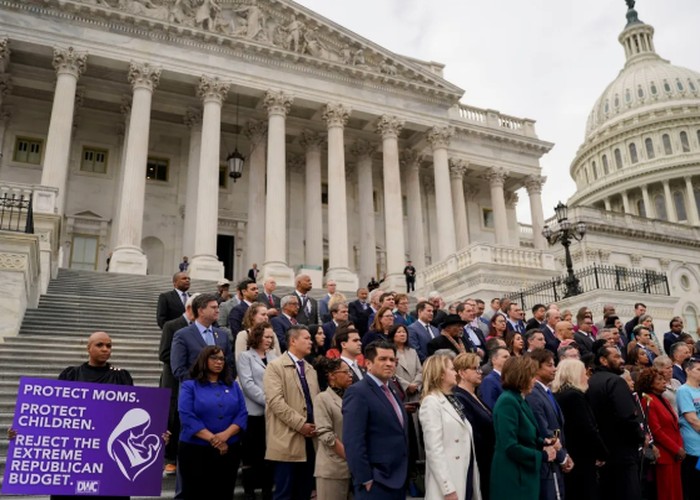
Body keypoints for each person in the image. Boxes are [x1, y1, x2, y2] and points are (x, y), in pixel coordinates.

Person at [48, 332, 133, 500]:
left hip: (108, 450)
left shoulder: (121, 376)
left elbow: (131, 412)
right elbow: (55, 412)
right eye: (99, 345)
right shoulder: (70, 375)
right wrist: (23, 432)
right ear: (88, 348)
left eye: (109, 346)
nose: (105, 349)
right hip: (76, 449)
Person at [178, 346, 247, 500]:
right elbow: (187, 416)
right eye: (214, 358)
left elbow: (242, 414)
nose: (219, 362)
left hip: (229, 450)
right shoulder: (190, 386)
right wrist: (214, 440)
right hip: (195, 451)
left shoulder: (233, 386)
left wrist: (225, 435)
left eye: (221, 359)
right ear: (204, 360)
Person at [343, 340, 408, 499]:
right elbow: (353, 440)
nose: (389, 364)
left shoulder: (391, 389)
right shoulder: (358, 392)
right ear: (368, 364)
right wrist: (365, 478)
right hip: (376, 482)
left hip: (398, 479)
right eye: (383, 359)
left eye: (392, 360)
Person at [264, 325, 320, 500]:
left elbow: (316, 400)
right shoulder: (275, 366)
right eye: (306, 338)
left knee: (304, 491)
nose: (311, 341)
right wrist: (300, 424)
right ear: (293, 341)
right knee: (284, 493)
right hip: (286, 439)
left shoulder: (310, 369)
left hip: (310, 439)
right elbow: (275, 402)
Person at [491, 356, 557, 500]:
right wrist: (542, 456)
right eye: (531, 376)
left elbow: (526, 434)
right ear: (521, 377)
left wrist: (544, 442)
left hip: (523, 475)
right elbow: (510, 445)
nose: (534, 380)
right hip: (514, 478)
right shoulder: (508, 401)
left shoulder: (519, 398)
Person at [419, 353, 482, 500]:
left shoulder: (452, 399)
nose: (456, 373)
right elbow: (434, 449)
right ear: (441, 374)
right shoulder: (431, 402)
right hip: (450, 478)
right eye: (452, 369)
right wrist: (447, 488)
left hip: (465, 471)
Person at [587, 346, 644, 500]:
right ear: (603, 360)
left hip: (603, 450)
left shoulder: (591, 381)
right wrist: (640, 436)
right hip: (622, 451)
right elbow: (627, 416)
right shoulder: (615, 382)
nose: (622, 360)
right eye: (616, 357)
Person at [552, 359, 608, 500]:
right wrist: (601, 452)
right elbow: (587, 428)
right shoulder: (574, 396)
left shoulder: (558, 394)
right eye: (584, 373)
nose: (587, 377)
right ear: (575, 374)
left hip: (571, 454)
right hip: (581, 457)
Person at [159, 293, 198, 475]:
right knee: (172, 416)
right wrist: (186, 360)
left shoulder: (202, 328)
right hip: (173, 379)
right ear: (190, 308)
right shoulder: (172, 325)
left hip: (194, 379)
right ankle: (169, 457)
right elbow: (164, 353)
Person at [236, 322, 276, 500]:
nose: (269, 340)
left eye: (271, 337)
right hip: (253, 412)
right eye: (266, 336)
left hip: (272, 413)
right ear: (257, 336)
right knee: (251, 453)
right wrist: (269, 401)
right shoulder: (245, 356)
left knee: (269, 452)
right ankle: (249, 491)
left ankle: (267, 489)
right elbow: (247, 384)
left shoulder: (274, 356)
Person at [525, 349, 573, 499]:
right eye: (550, 365)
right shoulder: (533, 394)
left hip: (555, 460)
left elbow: (556, 428)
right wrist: (562, 457)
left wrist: (564, 453)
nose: (555, 369)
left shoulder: (546, 391)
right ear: (536, 368)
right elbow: (543, 429)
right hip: (547, 463)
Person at [636, 367, 684, 500]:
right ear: (650, 383)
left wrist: (679, 447)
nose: (664, 382)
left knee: (676, 491)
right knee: (667, 492)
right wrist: (676, 448)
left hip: (674, 453)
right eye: (659, 379)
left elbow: (673, 426)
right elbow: (656, 431)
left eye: (664, 379)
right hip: (664, 454)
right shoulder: (648, 400)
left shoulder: (663, 399)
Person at [453, 353, 494, 500]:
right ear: (462, 373)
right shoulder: (459, 397)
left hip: (488, 459)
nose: (480, 372)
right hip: (479, 459)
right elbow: (472, 431)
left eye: (480, 368)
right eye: (475, 368)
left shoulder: (475, 395)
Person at [313, 358, 353, 499]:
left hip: (354, 469)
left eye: (350, 371)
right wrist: (350, 457)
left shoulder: (352, 396)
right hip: (333, 469)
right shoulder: (323, 398)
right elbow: (325, 434)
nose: (350, 375)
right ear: (332, 376)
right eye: (345, 372)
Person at [171, 293, 233, 382]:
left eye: (217, 307)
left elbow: (230, 364)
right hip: (194, 387)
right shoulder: (182, 335)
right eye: (213, 307)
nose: (217, 311)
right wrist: (202, 383)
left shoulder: (223, 335)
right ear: (201, 311)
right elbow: (179, 369)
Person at [676, 356, 700, 498]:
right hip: (694, 446)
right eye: (698, 369)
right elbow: (692, 419)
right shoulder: (684, 391)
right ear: (688, 371)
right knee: (694, 485)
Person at [389, 324, 422, 402]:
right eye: (399, 332)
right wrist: (407, 386)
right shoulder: (389, 352)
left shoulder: (412, 351)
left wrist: (415, 385)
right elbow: (391, 373)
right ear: (393, 335)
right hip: (399, 391)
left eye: (404, 332)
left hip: (415, 392)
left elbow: (420, 371)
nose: (402, 334)